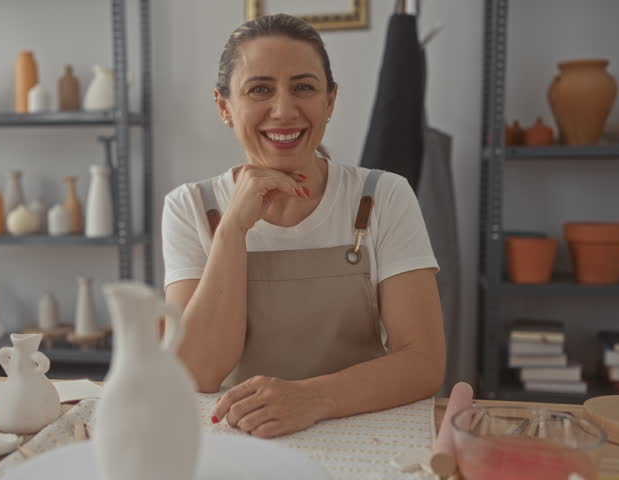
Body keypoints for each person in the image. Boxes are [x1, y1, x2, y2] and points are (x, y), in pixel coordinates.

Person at [162, 13, 445, 439]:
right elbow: (193, 376)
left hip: (362, 431)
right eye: (259, 89)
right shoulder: (190, 206)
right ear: (224, 107)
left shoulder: (382, 195)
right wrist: (232, 231)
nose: (283, 110)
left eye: (303, 88)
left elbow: (423, 362)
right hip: (241, 437)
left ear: (329, 101)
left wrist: (312, 399)